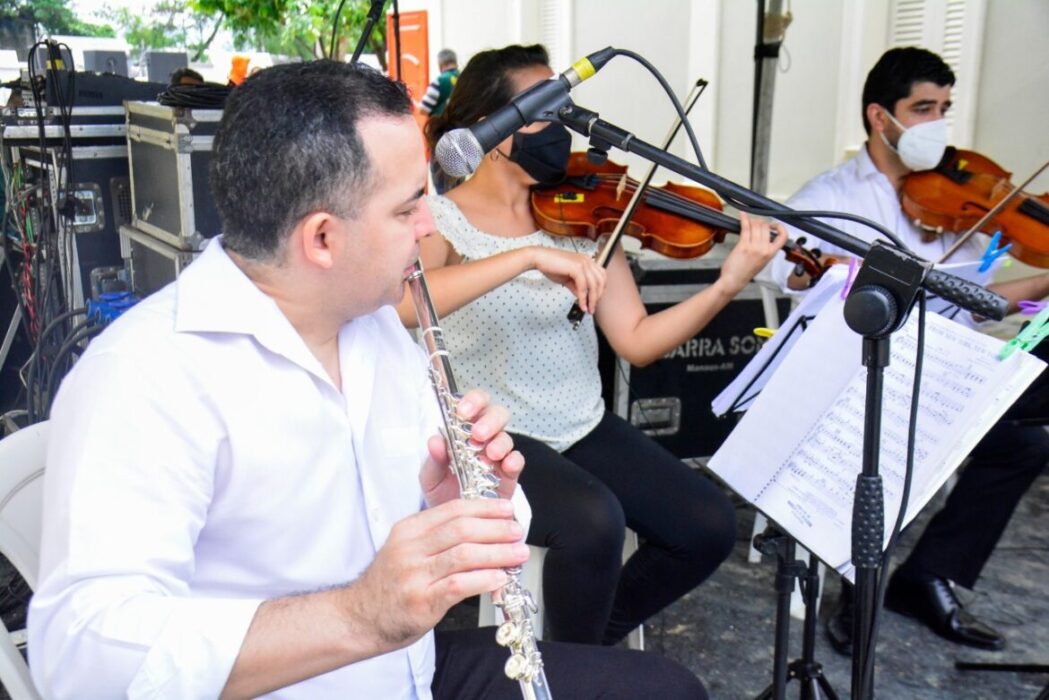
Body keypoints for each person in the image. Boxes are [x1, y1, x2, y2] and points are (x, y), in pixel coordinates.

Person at [27, 60, 707, 699]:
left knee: (670, 690)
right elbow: (82, 658)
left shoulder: (374, 327)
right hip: (295, 685)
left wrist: (464, 503)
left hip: (405, 671)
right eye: (409, 206)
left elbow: (434, 529)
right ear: (322, 239)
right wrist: (358, 617)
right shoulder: (146, 375)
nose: (429, 224)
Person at [403, 44, 788, 647]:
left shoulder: (580, 212)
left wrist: (728, 283)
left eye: (564, 111)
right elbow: (407, 304)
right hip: (490, 434)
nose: (560, 129)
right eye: (543, 113)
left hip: (579, 423)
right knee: (593, 521)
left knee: (706, 524)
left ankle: (579, 648)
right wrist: (525, 256)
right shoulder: (442, 218)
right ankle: (578, 662)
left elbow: (636, 341)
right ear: (492, 125)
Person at [768, 46, 1049, 654]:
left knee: (1026, 440)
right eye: (922, 109)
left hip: (945, 366)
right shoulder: (835, 193)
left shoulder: (957, 198)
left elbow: (983, 301)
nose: (938, 126)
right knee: (891, 436)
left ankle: (926, 576)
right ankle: (854, 583)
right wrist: (815, 273)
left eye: (945, 108)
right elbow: (782, 268)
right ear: (880, 116)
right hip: (864, 375)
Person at [419, 48, 459, 118]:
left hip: (443, 125)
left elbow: (424, 109)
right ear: (456, 63)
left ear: (440, 65)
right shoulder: (465, 78)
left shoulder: (439, 81)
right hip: (462, 125)